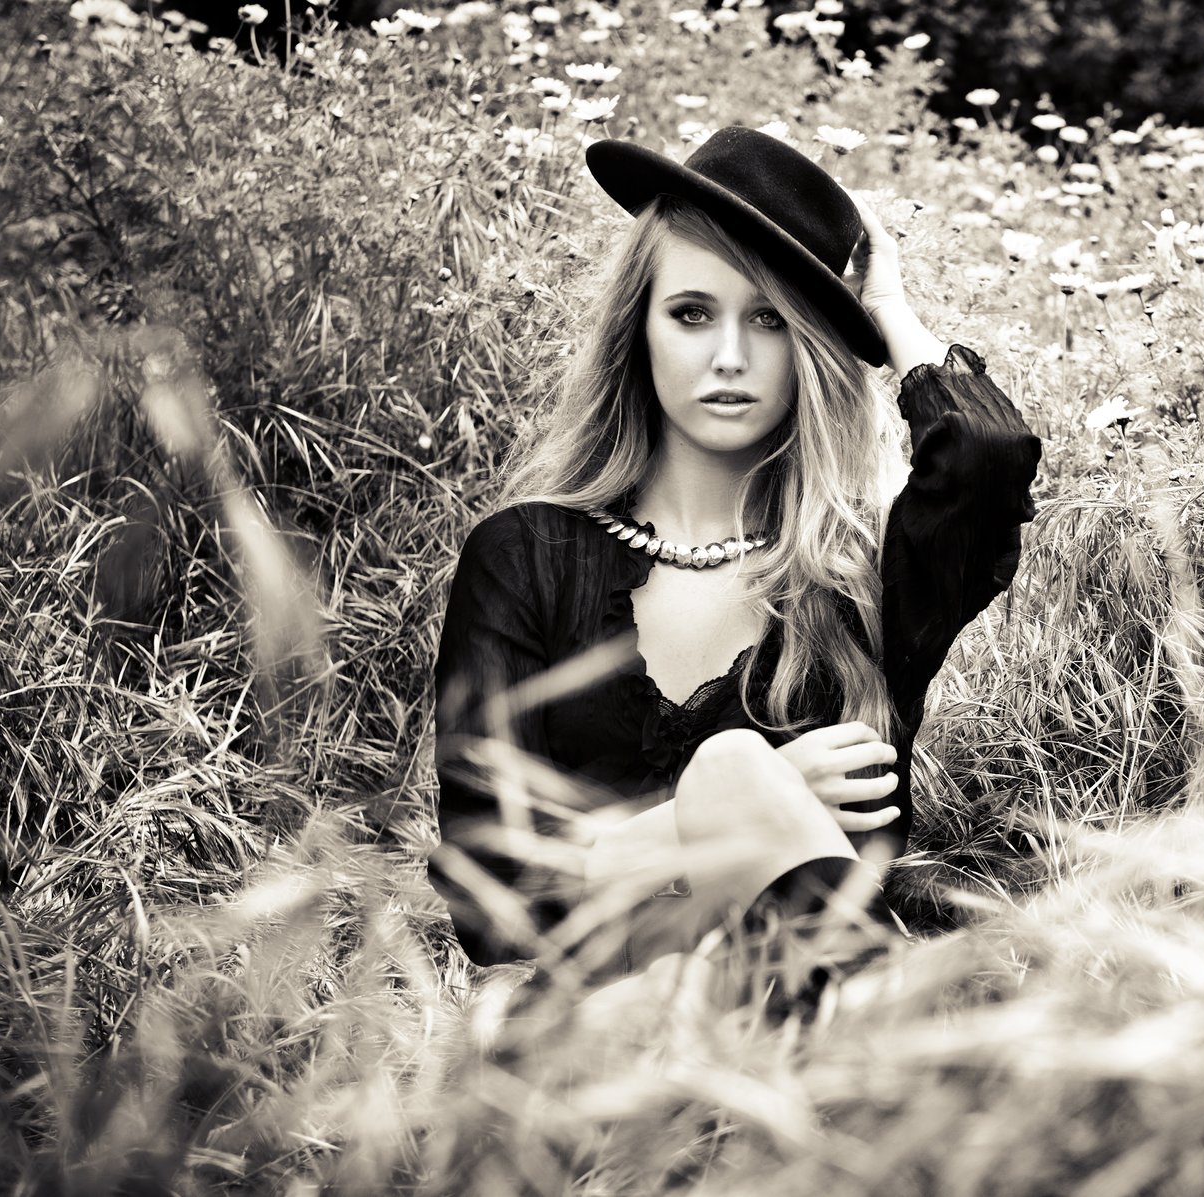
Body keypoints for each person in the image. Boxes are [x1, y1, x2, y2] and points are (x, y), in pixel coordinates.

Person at [427, 126, 1042, 1015]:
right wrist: (744, 801)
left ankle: (867, 1031)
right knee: (731, 768)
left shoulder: (862, 576)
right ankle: (896, 1030)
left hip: (805, 1039)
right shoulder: (525, 558)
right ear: (637, 329)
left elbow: (986, 461)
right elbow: (490, 900)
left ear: (811, 348)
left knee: (732, 769)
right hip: (604, 1042)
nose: (729, 356)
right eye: (691, 312)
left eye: (769, 319)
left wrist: (887, 309)